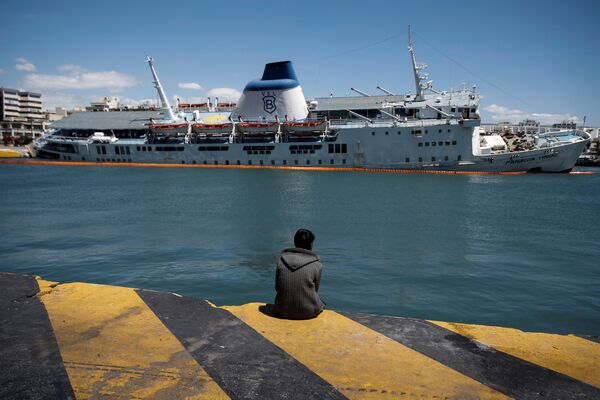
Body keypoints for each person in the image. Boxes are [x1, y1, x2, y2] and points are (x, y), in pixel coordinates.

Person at [274, 229, 325, 319]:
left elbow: (277, 287)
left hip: (282, 310)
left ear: (295, 242)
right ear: (311, 244)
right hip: (308, 313)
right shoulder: (317, 264)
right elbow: (315, 290)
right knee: (322, 303)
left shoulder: (281, 260)